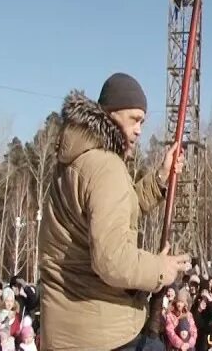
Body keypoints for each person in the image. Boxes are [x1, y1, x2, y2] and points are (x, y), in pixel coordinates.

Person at [39, 72, 191, 351]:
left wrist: (159, 178)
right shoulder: (106, 167)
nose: (139, 130)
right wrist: (161, 269)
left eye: (142, 121)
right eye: (133, 119)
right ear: (109, 114)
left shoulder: (79, 161)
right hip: (101, 331)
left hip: (67, 328)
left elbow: (117, 208)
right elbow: (112, 260)